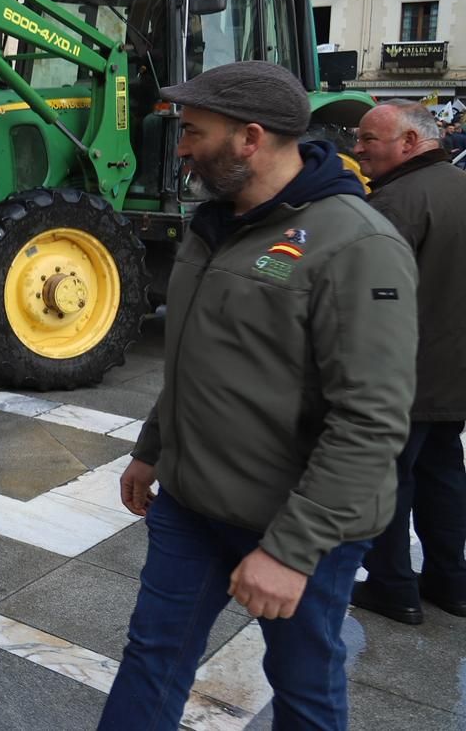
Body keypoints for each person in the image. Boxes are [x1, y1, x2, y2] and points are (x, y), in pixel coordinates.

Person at [100, 61, 417, 730]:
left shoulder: (358, 244)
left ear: (249, 138)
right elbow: (197, 355)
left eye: (194, 131)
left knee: (303, 686)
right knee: (151, 660)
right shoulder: (213, 224)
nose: (181, 146)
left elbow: (371, 422)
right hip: (191, 503)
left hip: (299, 521)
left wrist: (290, 551)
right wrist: (153, 448)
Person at [347, 101, 466, 624]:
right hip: (454, 375)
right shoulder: (458, 187)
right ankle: (452, 582)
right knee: (444, 474)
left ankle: (394, 586)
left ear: (411, 142)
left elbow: (370, 303)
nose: (357, 149)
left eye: (369, 139)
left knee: (389, 480)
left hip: (404, 378)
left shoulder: (395, 203)